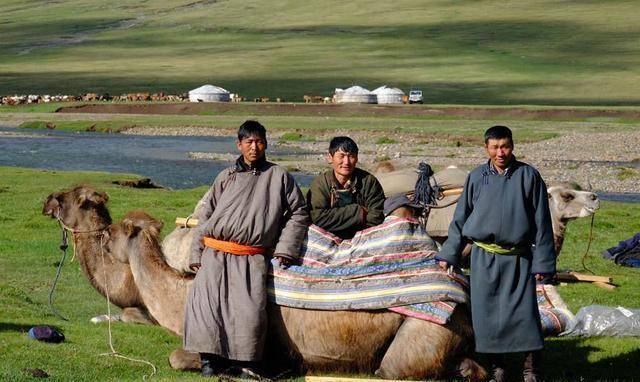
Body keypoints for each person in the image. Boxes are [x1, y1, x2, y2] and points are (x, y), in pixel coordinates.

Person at [183, 120, 309, 378]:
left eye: (259, 141)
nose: (254, 147)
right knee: (207, 309)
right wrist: (196, 252)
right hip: (214, 254)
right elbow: (206, 216)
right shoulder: (225, 177)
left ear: (266, 144)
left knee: (248, 312)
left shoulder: (278, 177)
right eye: (249, 142)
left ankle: (246, 363)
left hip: (250, 256)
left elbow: (299, 212)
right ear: (238, 145)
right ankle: (210, 362)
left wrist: (286, 247)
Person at [436, 125, 556, 382]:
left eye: (505, 146)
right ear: (486, 148)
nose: (501, 152)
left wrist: (543, 264)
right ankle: (497, 368)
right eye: (495, 147)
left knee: (525, 314)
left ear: (512, 146)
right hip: (484, 258)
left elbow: (542, 222)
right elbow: (460, 219)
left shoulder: (529, 176)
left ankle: (531, 370)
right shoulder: (477, 177)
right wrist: (449, 254)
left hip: (518, 258)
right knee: (487, 315)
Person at [307, 136, 385, 239]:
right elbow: (318, 218)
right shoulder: (320, 184)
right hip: (327, 237)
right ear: (330, 158)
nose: (346, 162)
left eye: (351, 156)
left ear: (356, 158)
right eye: (341, 156)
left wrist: (357, 236)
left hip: (362, 237)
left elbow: (376, 216)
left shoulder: (369, 182)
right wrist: (359, 212)